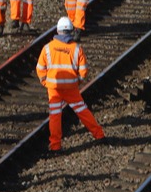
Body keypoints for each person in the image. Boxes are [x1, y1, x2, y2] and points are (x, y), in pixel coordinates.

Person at [36, 17, 104, 152]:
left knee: (55, 115)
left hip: (53, 88)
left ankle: (55, 146)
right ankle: (99, 135)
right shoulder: (77, 49)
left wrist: (45, 82)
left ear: (58, 31)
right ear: (71, 31)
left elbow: (40, 68)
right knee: (82, 110)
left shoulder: (48, 48)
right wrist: (77, 81)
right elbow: (84, 71)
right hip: (71, 88)